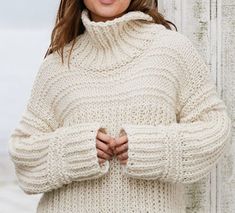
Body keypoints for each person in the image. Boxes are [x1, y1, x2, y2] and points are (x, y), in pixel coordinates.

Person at [8, 0, 232, 212]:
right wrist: (75, 150)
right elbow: (25, 160)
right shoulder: (57, 65)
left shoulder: (171, 50)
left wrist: (151, 148)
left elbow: (214, 129)